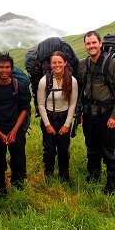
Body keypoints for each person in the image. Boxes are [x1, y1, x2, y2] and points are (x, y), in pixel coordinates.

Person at [78, 31, 115, 195]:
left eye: (93, 43)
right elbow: (80, 90)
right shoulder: (83, 65)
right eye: (88, 44)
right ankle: (94, 175)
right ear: (85, 46)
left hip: (107, 115)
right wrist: (80, 111)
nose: (91, 46)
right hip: (89, 115)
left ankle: (112, 183)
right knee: (92, 148)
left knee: (110, 150)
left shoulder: (113, 64)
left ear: (100, 43)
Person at [0, 52, 31, 197]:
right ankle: (1, 190)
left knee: (18, 161)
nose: (4, 70)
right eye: (1, 67)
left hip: (16, 130)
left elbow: (25, 109)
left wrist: (14, 131)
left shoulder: (19, 86)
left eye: (7, 67)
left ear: (12, 69)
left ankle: (18, 189)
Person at [37, 51, 78, 183]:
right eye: (54, 62)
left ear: (65, 63)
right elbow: (41, 105)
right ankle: (48, 175)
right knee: (49, 149)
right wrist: (47, 125)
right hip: (49, 117)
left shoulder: (72, 81)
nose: (57, 65)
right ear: (50, 64)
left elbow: (72, 104)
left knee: (63, 150)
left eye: (59, 62)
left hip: (64, 117)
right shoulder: (44, 81)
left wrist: (67, 125)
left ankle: (64, 176)